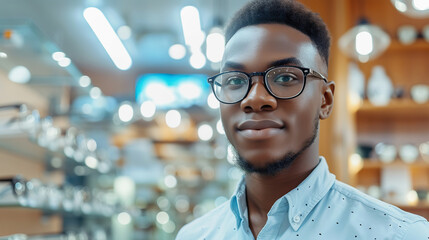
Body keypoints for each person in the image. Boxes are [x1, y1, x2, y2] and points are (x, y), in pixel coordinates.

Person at [176, 0, 429, 239]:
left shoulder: (399, 234)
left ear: (325, 100)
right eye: (235, 80)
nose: (254, 98)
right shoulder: (194, 235)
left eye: (285, 77)